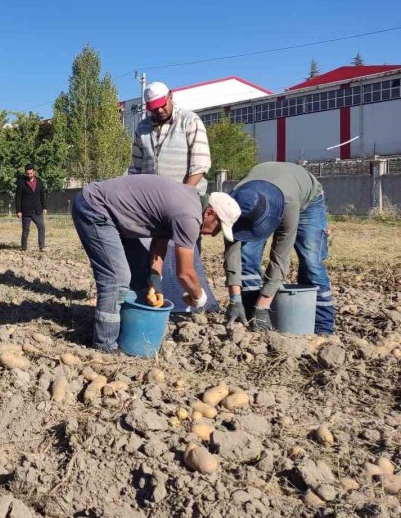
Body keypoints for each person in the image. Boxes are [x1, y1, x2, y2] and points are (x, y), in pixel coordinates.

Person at [71, 174, 240, 353]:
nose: (214, 234)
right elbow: (185, 273)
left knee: (140, 271)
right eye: (218, 227)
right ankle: (105, 345)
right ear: (210, 213)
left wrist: (155, 279)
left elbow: (159, 243)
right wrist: (200, 297)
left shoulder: (188, 202)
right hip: (95, 208)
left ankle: (132, 329)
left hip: (111, 213)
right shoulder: (190, 216)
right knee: (117, 278)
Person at [129, 81, 217, 312]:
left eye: (162, 105)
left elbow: (199, 165)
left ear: (171, 96)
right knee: (155, 251)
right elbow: (135, 169)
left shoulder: (190, 121)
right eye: (153, 108)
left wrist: (182, 199)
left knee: (185, 256)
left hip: (186, 203)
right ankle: (160, 301)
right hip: (153, 206)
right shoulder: (142, 128)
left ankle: (190, 307)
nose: (159, 110)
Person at [222, 162, 334, 335]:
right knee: (246, 255)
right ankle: (250, 316)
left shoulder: (289, 204)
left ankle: (322, 328)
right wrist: (234, 299)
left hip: (306, 200)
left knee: (311, 262)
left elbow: (280, 256)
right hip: (264, 193)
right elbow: (232, 251)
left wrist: (263, 305)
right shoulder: (237, 201)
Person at [15, 164, 47, 251]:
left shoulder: (39, 181)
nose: (29, 175)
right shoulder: (21, 182)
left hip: (37, 210)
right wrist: (18, 211)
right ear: (25, 173)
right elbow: (18, 197)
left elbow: (42, 195)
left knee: (41, 227)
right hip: (26, 210)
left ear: (34, 172)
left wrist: (44, 207)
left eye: (31, 173)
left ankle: (42, 247)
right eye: (27, 173)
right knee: (26, 230)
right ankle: (24, 247)